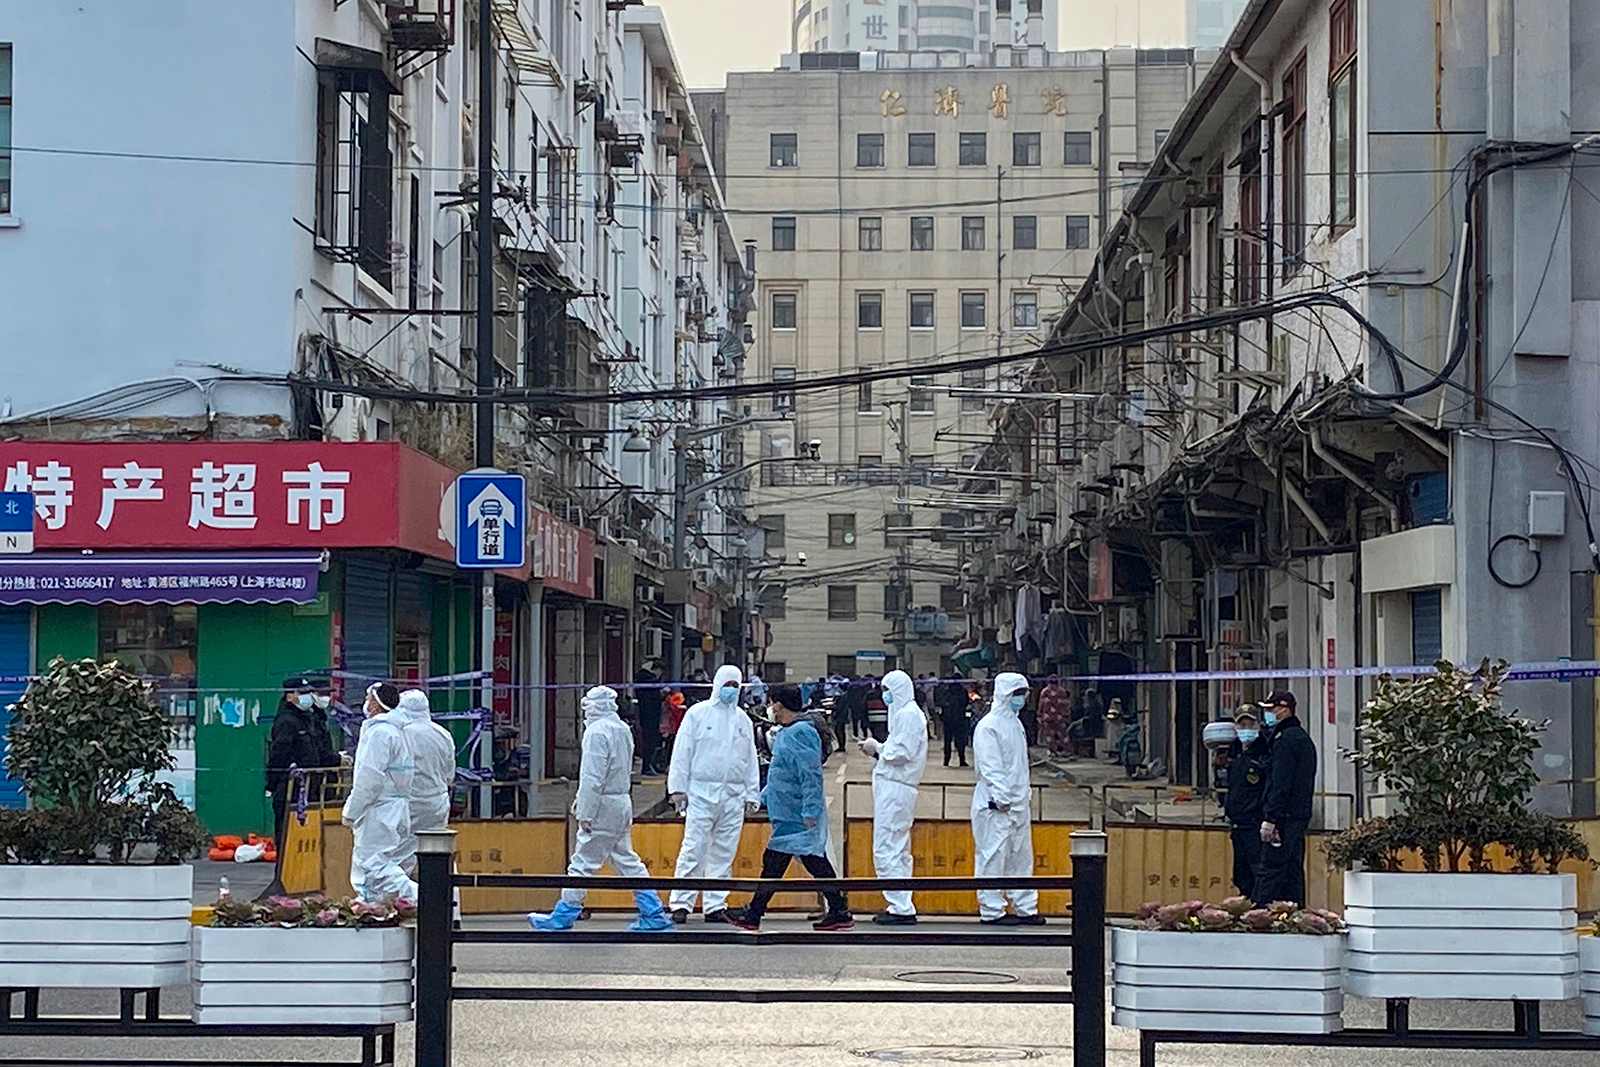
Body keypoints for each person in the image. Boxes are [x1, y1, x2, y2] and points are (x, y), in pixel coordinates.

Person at [528, 687, 674, 932]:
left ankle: (564, 914)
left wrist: (585, 811)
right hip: (621, 801)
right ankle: (653, 912)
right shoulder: (621, 729)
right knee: (627, 861)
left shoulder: (596, 732)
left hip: (603, 805)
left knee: (583, 861)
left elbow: (592, 777)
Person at [728, 686, 853, 931]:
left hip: (797, 814)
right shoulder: (788, 732)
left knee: (802, 861)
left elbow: (810, 774)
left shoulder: (800, 733)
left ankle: (754, 914)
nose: (770, 708)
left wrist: (810, 809)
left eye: (772, 702)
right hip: (786, 811)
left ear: (780, 705)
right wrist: (761, 797)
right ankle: (837, 909)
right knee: (788, 862)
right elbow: (780, 774)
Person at [667, 665, 761, 924]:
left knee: (723, 852)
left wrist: (752, 792)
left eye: (735, 685)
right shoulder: (698, 714)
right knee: (693, 849)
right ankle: (680, 903)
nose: (731, 690)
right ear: (717, 683)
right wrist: (677, 789)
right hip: (701, 793)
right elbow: (682, 751)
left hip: (732, 795)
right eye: (727, 684)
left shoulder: (743, 720)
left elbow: (750, 758)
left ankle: (715, 904)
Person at [970, 673, 1044, 925]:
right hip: (996, 805)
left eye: (1023, 693)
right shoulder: (989, 725)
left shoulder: (1015, 723)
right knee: (992, 856)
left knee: (1020, 858)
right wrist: (1002, 798)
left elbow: (1019, 766)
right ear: (1004, 694)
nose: (1021, 698)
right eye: (1017, 693)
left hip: (1018, 803)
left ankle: (1025, 906)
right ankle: (991, 910)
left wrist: (1022, 797)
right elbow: (991, 767)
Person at [860, 670, 927, 925]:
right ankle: (900, 902)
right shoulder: (903, 715)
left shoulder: (909, 715)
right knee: (896, 848)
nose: (884, 695)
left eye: (887, 690)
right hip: (894, 787)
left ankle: (900, 906)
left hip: (897, 788)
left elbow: (902, 753)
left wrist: (876, 747)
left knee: (887, 846)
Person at [342, 684, 416, 903]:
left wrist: (353, 810)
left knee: (373, 865)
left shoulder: (379, 733)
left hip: (379, 809)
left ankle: (424, 899)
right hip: (396, 808)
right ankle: (374, 906)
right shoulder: (399, 730)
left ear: (374, 703)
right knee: (387, 863)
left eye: (367, 698)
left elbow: (369, 778)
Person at [1252, 690, 1317, 906]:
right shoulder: (1301, 737)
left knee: (1271, 868)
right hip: (1297, 815)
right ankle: (1293, 913)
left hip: (1284, 817)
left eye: (1271, 709)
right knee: (1291, 870)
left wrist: (1271, 817)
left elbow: (1281, 782)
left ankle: (1258, 914)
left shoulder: (1286, 740)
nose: (1268, 714)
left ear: (1284, 709)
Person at [265, 675, 340, 842]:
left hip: (309, 787)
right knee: (288, 837)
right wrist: (272, 783)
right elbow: (279, 754)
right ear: (290, 696)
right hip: (291, 788)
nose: (306, 697)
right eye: (301, 693)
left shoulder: (307, 718)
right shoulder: (287, 721)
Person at [392, 688, 457, 873]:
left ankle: (402, 900)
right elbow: (449, 774)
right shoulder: (442, 734)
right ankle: (448, 900)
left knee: (400, 859)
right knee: (439, 856)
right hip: (437, 803)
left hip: (409, 804)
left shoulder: (401, 734)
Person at [1216, 706, 1270, 901]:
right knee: (1241, 873)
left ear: (1259, 725)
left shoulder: (1265, 751)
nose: (1246, 728)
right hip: (1237, 824)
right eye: (1241, 724)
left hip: (1255, 823)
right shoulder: (1233, 752)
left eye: (1250, 724)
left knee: (1258, 871)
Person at [634, 663, 663, 776]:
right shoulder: (650, 682)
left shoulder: (643, 680)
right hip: (650, 715)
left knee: (649, 740)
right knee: (649, 740)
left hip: (646, 714)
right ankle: (647, 765)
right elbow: (651, 699)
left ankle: (649, 764)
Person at [937, 680, 971, 768]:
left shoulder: (947, 692)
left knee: (947, 741)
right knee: (960, 741)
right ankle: (962, 760)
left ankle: (946, 760)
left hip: (948, 720)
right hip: (960, 719)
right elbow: (966, 703)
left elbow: (942, 703)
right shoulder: (963, 692)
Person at [1038, 678, 1071, 757]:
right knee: (1061, 735)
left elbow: (1041, 705)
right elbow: (1066, 705)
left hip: (1049, 718)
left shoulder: (1045, 691)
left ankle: (1054, 751)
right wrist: (1067, 716)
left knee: (1051, 735)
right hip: (1058, 718)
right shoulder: (1062, 691)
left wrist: (1039, 715)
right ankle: (1062, 750)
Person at [864, 675, 890, 743]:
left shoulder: (869, 694)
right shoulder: (887, 694)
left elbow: (864, 706)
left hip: (872, 718)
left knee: (875, 736)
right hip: (885, 718)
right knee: (883, 737)